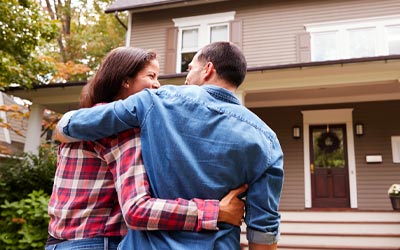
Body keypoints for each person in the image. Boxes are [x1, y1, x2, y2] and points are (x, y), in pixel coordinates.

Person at [57, 42, 284, 250]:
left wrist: (62, 127)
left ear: (208, 69)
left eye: (190, 69)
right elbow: (264, 229)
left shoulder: (156, 101)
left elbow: (75, 124)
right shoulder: (267, 140)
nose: (186, 77)